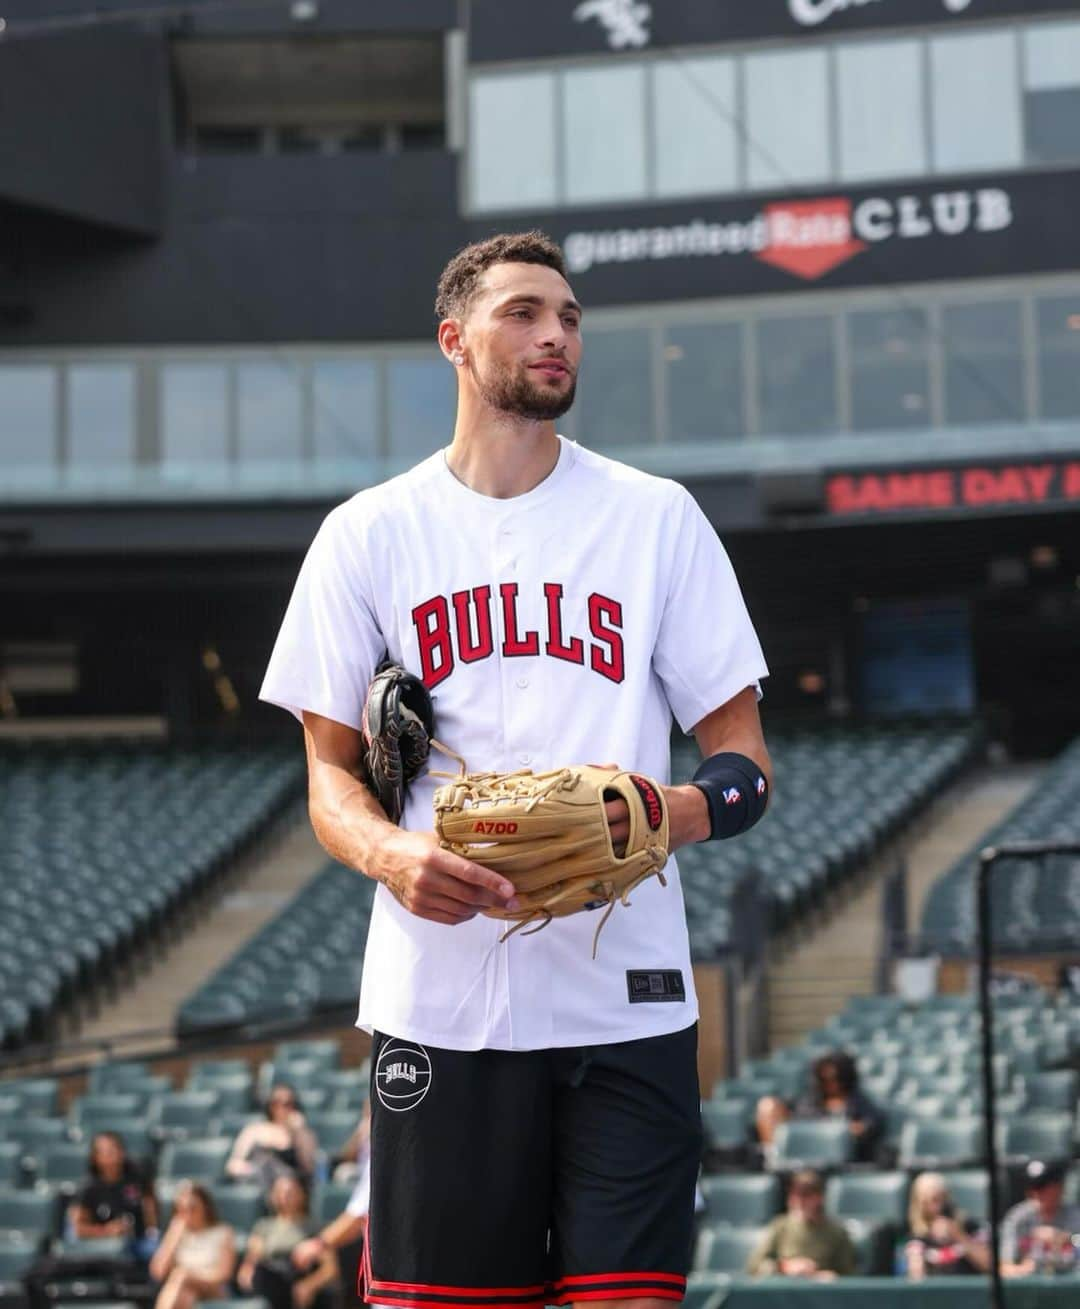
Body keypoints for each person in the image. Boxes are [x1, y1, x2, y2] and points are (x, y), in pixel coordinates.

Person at [260, 230, 772, 1307]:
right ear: (454, 339)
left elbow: (744, 767)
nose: (555, 334)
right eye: (525, 313)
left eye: (571, 317)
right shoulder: (367, 535)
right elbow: (328, 781)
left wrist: (665, 811)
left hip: (628, 998)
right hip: (441, 997)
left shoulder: (656, 519)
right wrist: (395, 854)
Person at [756, 1050, 883, 1165]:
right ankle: (775, 1160)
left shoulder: (858, 1102)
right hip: (802, 1153)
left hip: (838, 1158)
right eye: (823, 1078)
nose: (829, 1083)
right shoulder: (810, 1099)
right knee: (767, 1105)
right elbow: (797, 1118)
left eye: (834, 1078)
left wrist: (854, 1129)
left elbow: (870, 1124)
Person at [236, 1175, 338, 1309]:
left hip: (300, 1278)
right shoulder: (264, 1226)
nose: (285, 1197)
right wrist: (247, 1275)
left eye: (290, 1192)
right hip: (270, 1279)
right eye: (281, 1192)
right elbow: (251, 1263)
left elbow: (330, 1269)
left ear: (302, 1194)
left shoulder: (315, 1228)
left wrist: (309, 1285)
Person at [747, 1170, 856, 1280]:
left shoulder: (837, 1232)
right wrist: (784, 1267)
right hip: (784, 1290)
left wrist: (826, 1275)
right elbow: (754, 1265)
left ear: (819, 1197)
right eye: (794, 1195)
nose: (799, 1201)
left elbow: (848, 1275)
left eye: (806, 1195)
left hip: (820, 1292)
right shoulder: (779, 1226)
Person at [69, 1130, 158, 1255]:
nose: (114, 1154)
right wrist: (107, 1231)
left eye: (117, 1148)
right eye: (107, 1151)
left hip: (138, 1240)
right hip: (102, 1247)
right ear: (95, 1158)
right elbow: (78, 1229)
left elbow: (149, 1206)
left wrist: (151, 1230)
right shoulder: (88, 1188)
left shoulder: (137, 1176)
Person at [149, 1182, 236, 1309]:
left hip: (213, 1288)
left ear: (205, 1206)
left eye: (192, 1208)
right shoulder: (176, 1233)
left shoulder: (223, 1232)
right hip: (183, 1287)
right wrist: (172, 1239)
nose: (187, 1214)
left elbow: (224, 1274)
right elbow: (158, 1272)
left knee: (180, 1277)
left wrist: (191, 1276)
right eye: (181, 1209)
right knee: (186, 1295)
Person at [225, 1083, 318, 1190]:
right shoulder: (254, 1130)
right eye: (276, 1103)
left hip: (291, 1188)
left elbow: (308, 1168)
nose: (281, 1108)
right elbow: (233, 1164)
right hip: (259, 1184)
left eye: (287, 1104)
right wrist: (254, 1170)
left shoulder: (302, 1133)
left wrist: (298, 1132)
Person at [902, 1171, 990, 1278]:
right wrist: (916, 1262)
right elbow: (916, 1279)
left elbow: (988, 1265)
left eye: (940, 1199)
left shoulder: (970, 1227)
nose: (937, 1207)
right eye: (927, 1202)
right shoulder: (917, 1237)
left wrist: (959, 1235)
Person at [1001, 1159, 1080, 1277]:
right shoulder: (1018, 1218)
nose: (1035, 1193)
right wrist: (1023, 1270)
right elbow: (1004, 1268)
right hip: (1031, 1287)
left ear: (1059, 1187)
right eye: (1032, 1187)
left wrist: (1066, 1238)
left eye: (1042, 1187)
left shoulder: (1075, 1215)